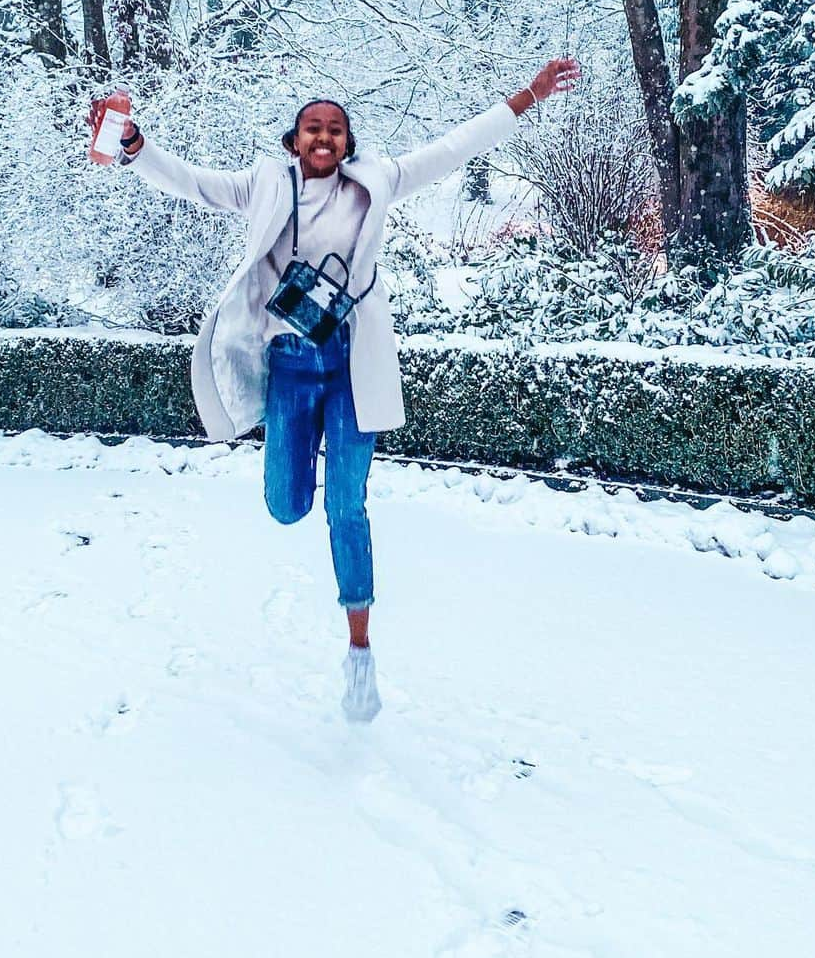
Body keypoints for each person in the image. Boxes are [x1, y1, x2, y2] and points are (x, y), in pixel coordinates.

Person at [97, 57, 580, 721]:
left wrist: (528, 96)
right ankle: (300, 492)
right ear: (294, 142)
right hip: (291, 369)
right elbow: (193, 184)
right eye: (311, 129)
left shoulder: (377, 181)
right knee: (286, 505)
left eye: (335, 130)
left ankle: (359, 656)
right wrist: (134, 145)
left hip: (354, 366)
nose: (323, 138)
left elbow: (454, 147)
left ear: (349, 143)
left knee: (346, 506)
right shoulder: (265, 183)